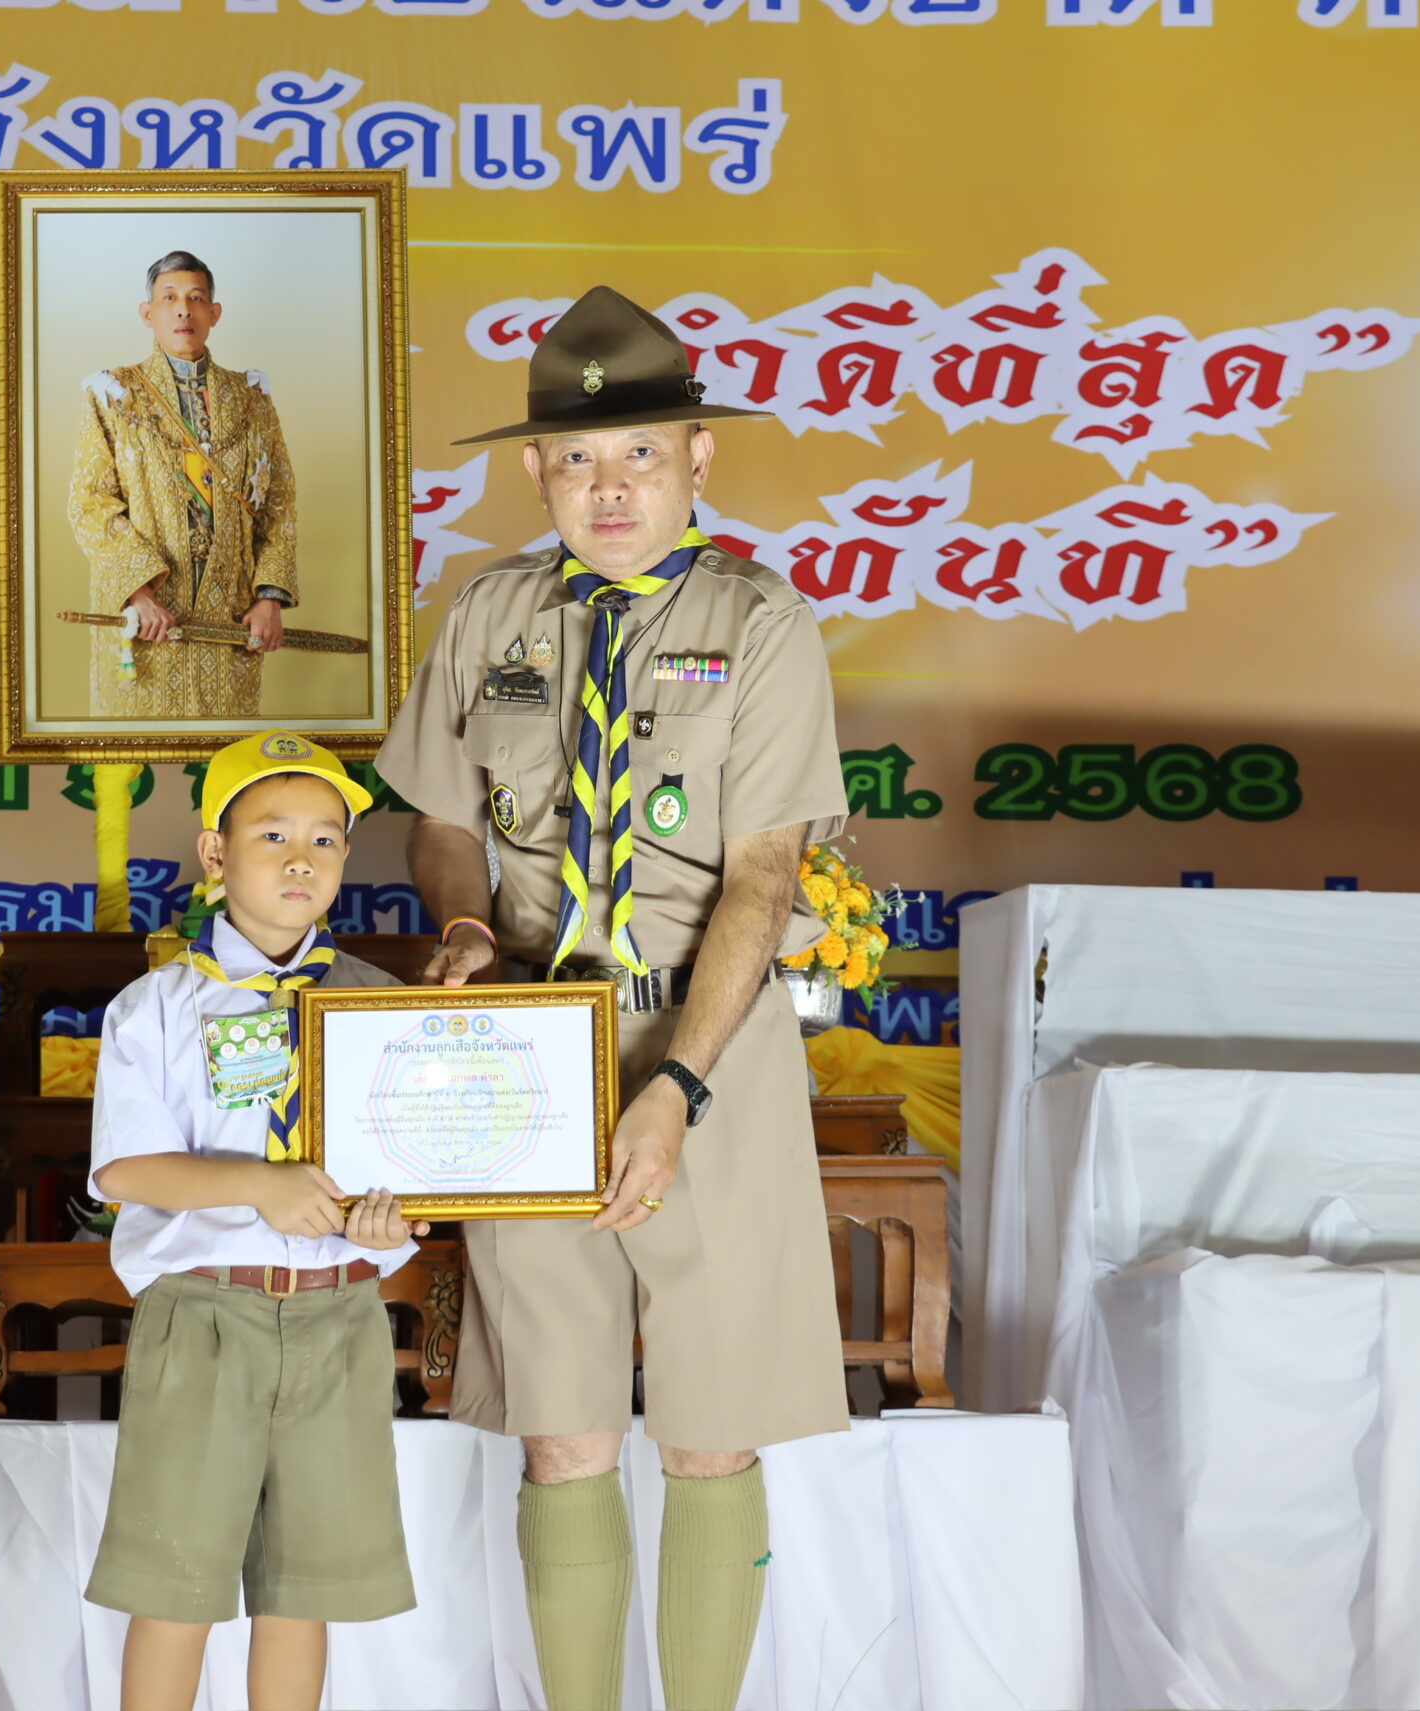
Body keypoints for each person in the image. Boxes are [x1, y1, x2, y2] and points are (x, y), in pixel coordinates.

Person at [374, 286, 851, 1711]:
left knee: (712, 1429)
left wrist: (678, 1085)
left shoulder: (763, 624)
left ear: (699, 455)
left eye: (641, 453)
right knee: (561, 1429)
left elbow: (762, 876)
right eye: (579, 459)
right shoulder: (490, 611)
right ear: (536, 469)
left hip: (711, 1042)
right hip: (530, 1045)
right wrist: (464, 918)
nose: (610, 487)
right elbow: (440, 816)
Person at [84, 728, 428, 1711]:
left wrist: (386, 1227)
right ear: (215, 852)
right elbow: (125, 1167)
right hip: (204, 1316)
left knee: (301, 1594)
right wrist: (257, 1185)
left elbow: (403, 1173)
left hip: (339, 1315)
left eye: (325, 839)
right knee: (175, 1585)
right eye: (272, 833)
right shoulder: (155, 1006)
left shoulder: (378, 1004)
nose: (299, 859)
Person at [68, 250, 300, 720]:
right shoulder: (114, 395)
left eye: (195, 299)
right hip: (147, 616)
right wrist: (139, 592)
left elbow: (278, 504)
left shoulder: (251, 400)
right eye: (169, 298)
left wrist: (269, 598)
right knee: (132, 752)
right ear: (147, 313)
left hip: (230, 614)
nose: (182, 310)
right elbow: (91, 503)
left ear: (214, 313)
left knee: (227, 750)